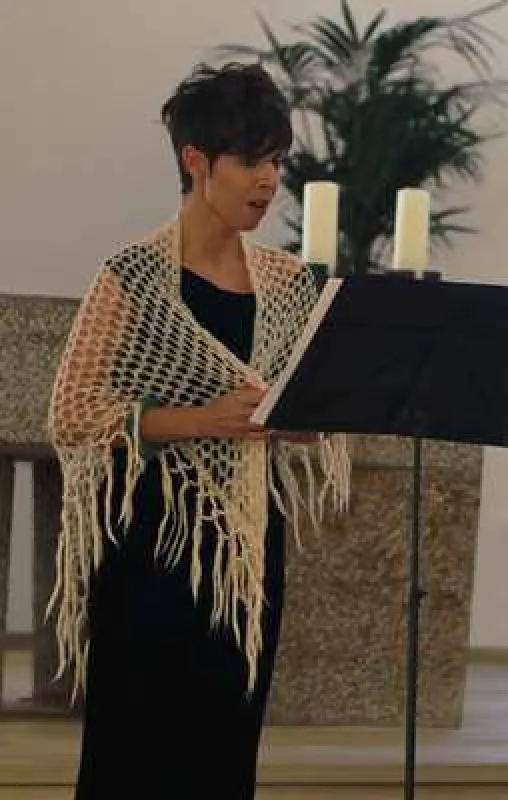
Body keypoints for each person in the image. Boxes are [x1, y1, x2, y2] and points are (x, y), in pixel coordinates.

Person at [46, 62, 350, 799]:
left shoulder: (287, 283)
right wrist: (196, 421)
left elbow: (304, 406)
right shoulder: (133, 277)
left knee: (224, 751)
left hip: (247, 550)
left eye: (276, 161)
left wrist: (300, 425)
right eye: (250, 161)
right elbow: (72, 409)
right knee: (137, 752)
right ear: (195, 161)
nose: (268, 180)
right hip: (152, 549)